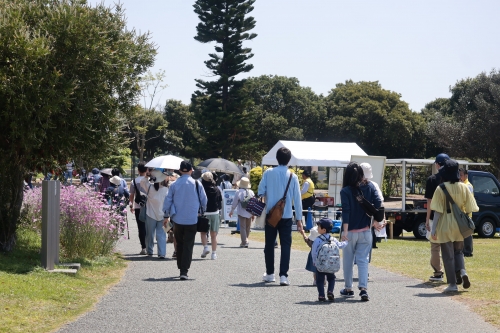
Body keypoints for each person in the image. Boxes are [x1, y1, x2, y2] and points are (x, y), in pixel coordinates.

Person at [430, 160, 479, 292]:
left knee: (448, 256)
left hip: (445, 225)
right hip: (459, 225)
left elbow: (437, 212)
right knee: (459, 252)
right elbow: (471, 208)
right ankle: (463, 272)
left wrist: (433, 229)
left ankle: (452, 284)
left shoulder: (440, 188)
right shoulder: (464, 187)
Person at [257, 147, 303, 286]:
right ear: (289, 160)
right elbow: (297, 199)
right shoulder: (292, 176)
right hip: (287, 215)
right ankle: (284, 275)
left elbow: (260, 191)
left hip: (271, 215)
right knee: (286, 245)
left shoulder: (268, 172)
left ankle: (270, 273)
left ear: (277, 158)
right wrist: (299, 219)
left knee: (269, 245)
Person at [340, 162, 382, 301]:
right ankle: (363, 289)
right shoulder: (370, 187)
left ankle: (348, 288)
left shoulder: (345, 191)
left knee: (348, 261)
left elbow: (346, 211)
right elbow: (378, 205)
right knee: (363, 260)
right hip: (365, 231)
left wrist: (344, 231)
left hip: (350, 231)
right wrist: (376, 221)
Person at [163, 161, 207, 279]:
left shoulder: (174, 185)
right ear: (191, 170)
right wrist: (201, 212)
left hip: (177, 218)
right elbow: (204, 200)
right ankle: (184, 270)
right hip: (192, 218)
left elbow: (168, 201)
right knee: (188, 244)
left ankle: (180, 266)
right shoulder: (197, 184)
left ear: (180, 171)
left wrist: (166, 216)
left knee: (180, 243)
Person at [425, 153, 449, 282]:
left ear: (437, 164)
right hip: (451, 217)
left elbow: (429, 201)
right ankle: (454, 272)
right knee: (449, 246)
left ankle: (438, 272)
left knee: (435, 246)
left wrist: (427, 219)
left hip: (435, 216)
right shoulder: (454, 180)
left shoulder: (432, 179)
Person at [312, 218, 348, 302]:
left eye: (319, 227)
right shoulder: (333, 239)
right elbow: (340, 245)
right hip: (331, 264)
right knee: (331, 278)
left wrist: (314, 261)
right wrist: (346, 242)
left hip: (320, 264)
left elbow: (314, 252)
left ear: (324, 230)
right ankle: (330, 291)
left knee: (320, 280)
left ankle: (321, 295)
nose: (317, 228)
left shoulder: (317, 240)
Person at [140, 169, 169, 259]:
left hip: (150, 214)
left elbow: (142, 182)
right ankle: (162, 253)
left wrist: (147, 175)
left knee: (149, 234)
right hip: (163, 216)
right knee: (162, 235)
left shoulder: (149, 187)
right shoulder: (166, 190)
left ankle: (150, 251)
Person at [359, 162, 387, 249]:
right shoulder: (373, 185)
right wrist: (379, 218)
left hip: (356, 222)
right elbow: (379, 204)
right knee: (366, 252)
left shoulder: (352, 186)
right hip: (369, 221)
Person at [200, 172, 222, 260]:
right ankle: (214, 254)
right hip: (215, 213)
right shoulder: (216, 189)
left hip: (205, 213)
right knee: (214, 235)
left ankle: (205, 247)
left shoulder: (202, 189)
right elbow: (220, 202)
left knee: (203, 233)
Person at [229, 177, 254, 247]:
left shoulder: (238, 192)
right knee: (248, 227)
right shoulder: (251, 192)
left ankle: (244, 242)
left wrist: (232, 210)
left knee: (242, 227)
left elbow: (235, 202)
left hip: (241, 212)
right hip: (250, 212)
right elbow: (254, 203)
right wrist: (253, 214)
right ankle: (246, 239)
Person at [129, 162, 148, 255]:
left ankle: (143, 247)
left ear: (138, 170)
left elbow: (131, 195)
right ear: (147, 170)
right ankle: (150, 247)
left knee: (141, 227)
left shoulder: (134, 181)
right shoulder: (150, 181)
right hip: (149, 206)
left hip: (138, 207)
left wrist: (131, 205)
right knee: (149, 227)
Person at [459, 168, 474, 257]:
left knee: (467, 233)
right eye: (459, 175)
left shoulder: (468, 185)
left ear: (466, 176)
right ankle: (463, 250)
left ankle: (468, 251)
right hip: (461, 212)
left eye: (461, 175)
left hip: (466, 213)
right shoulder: (462, 185)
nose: (459, 177)